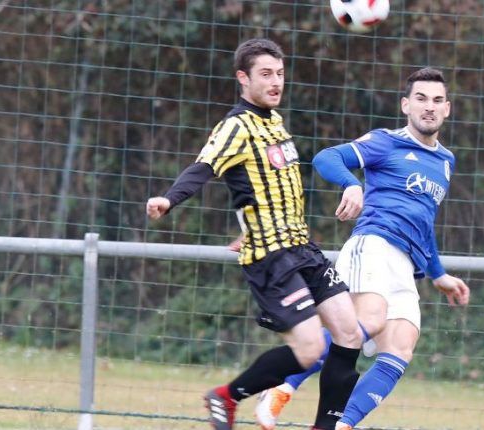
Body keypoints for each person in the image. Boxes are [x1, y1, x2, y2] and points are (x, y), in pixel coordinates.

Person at [146, 38, 363, 430]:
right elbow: (204, 167)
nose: (276, 82)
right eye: (266, 74)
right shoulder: (236, 126)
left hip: (302, 247)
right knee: (310, 349)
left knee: (350, 333)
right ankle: (226, 397)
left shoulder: (275, 122)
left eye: (280, 74)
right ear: (243, 78)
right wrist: (169, 199)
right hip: (272, 257)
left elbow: (266, 190)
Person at [254, 67, 470, 430]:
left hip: (406, 263)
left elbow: (422, 222)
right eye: (420, 99)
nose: (428, 107)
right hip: (373, 244)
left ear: (447, 108)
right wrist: (351, 185)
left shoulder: (445, 161)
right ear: (406, 105)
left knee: (400, 348)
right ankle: (282, 384)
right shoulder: (387, 141)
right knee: (365, 322)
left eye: (436, 100)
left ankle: (341, 424)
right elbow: (326, 158)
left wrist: (439, 274)